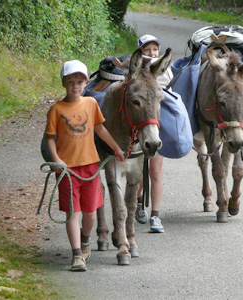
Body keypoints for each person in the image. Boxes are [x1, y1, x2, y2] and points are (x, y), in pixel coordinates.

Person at [45, 60, 124, 272]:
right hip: (67, 171)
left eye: (80, 82)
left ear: (86, 83)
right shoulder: (56, 109)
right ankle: (77, 255)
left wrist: (116, 148)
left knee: (90, 214)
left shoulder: (91, 104)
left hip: (90, 167)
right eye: (71, 82)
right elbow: (50, 138)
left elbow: (100, 130)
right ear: (64, 83)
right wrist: (56, 160)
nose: (75, 86)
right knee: (73, 213)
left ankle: (86, 240)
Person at [131, 34, 173, 233]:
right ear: (140, 53)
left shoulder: (164, 71)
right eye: (147, 50)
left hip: (156, 126)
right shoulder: (134, 71)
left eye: (155, 50)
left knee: (155, 171)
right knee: (138, 171)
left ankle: (155, 215)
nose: (152, 53)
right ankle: (139, 202)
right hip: (140, 126)